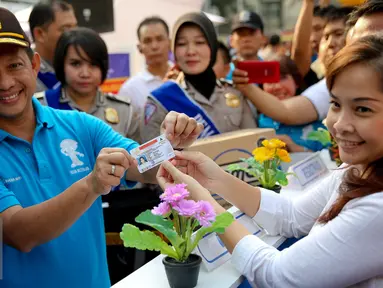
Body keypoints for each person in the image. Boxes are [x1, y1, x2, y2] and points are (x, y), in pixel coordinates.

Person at [157, 34, 383, 288]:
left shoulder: (377, 209)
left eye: (363, 109)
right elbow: (292, 216)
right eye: (335, 104)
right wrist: (214, 179)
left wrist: (205, 206)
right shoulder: (356, 169)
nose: (340, 124)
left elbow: (277, 276)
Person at [0, 8, 203, 288]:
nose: (5, 83)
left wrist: (170, 144)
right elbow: (18, 233)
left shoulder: (80, 125)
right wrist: (91, 185)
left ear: (34, 65)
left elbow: (143, 165)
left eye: (14, 66)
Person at [233, 3, 378, 126]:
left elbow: (287, 112)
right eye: (336, 105)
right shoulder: (326, 79)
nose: (330, 43)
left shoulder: (347, 80)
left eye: (338, 34)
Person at [142, 12, 256, 143]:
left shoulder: (235, 93)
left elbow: (253, 147)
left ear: (212, 47)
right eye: (182, 44)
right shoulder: (161, 100)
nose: (191, 51)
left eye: (200, 42)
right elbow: (149, 160)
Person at [37, 27, 141, 143]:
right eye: (75, 64)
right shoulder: (41, 106)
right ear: (61, 65)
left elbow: (138, 156)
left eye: (93, 64)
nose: (85, 73)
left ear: (103, 67)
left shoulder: (124, 111)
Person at [258, 56, 326, 152]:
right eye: (270, 81)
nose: (277, 86)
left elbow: (334, 160)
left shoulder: (319, 115)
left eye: (282, 78)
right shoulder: (260, 121)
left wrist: (296, 149)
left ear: (296, 81)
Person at [118, 16, 171, 111]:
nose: (154, 46)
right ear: (139, 48)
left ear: (170, 43)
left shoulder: (186, 77)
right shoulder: (129, 90)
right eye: (147, 41)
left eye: (159, 39)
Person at [29, 1, 77, 92]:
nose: (76, 35)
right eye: (66, 29)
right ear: (40, 34)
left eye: (75, 27)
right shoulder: (26, 75)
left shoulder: (80, 69)